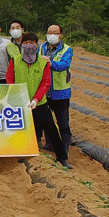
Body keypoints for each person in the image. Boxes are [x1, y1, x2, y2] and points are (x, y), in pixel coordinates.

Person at [6, 32, 72, 169]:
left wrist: (36, 99)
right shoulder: (15, 60)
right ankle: (20, 154)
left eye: (32, 43)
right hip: (20, 103)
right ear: (22, 44)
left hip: (39, 103)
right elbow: (10, 79)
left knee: (52, 130)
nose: (29, 46)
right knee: (20, 129)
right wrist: (19, 97)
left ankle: (62, 157)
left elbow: (45, 83)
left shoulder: (43, 63)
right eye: (25, 43)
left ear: (37, 45)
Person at [39, 24, 74, 154]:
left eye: (55, 33)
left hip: (61, 92)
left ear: (60, 35)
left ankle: (64, 151)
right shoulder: (42, 48)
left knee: (63, 124)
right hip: (45, 91)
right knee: (47, 122)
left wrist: (50, 63)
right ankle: (49, 144)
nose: (52, 35)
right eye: (49, 32)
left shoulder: (67, 49)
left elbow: (64, 65)